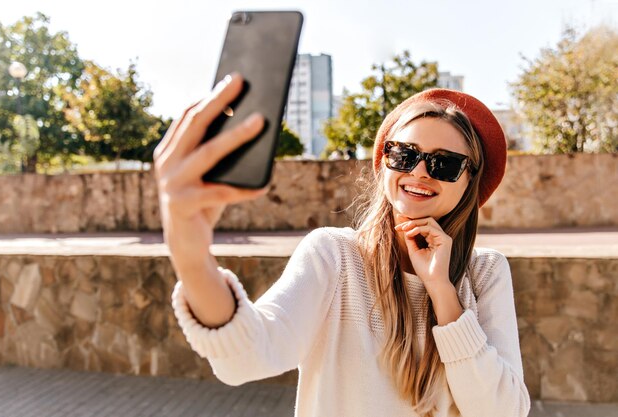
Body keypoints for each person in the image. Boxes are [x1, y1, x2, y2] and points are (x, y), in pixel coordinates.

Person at [152, 72, 531, 417]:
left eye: (444, 164)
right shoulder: (334, 256)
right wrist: (190, 254)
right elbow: (246, 357)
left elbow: (503, 412)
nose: (417, 171)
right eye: (404, 154)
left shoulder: (486, 273)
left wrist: (443, 293)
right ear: (384, 163)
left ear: (470, 181)